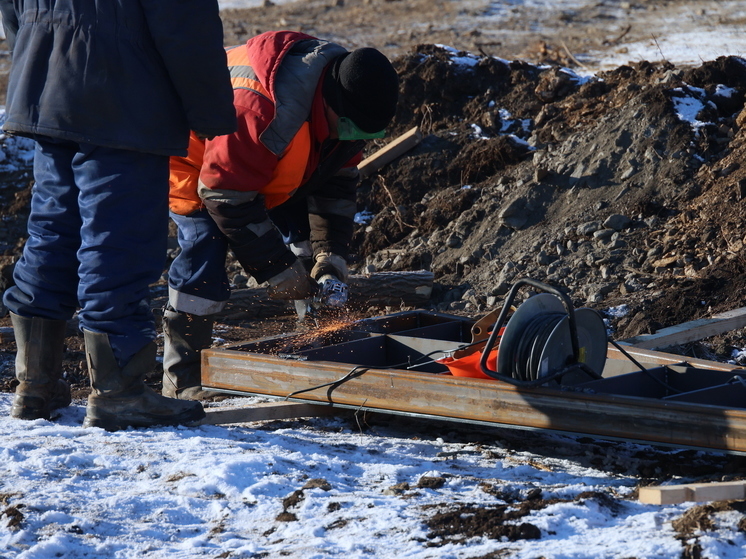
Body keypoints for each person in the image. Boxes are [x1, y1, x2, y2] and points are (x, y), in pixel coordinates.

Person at [0, 0, 237, 429]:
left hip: (45, 84)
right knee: (118, 239)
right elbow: (185, 23)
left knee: (52, 230)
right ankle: (118, 391)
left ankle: (35, 385)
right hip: (124, 96)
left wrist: (41, 64)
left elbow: (13, 13)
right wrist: (210, 112)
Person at [163, 30, 399, 400]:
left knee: (306, 248)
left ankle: (321, 342)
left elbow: (334, 184)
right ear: (332, 103)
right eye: (351, 128)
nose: (354, 139)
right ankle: (183, 378)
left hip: (266, 162)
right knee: (203, 255)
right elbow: (226, 197)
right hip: (196, 162)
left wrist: (330, 256)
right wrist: (276, 268)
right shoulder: (261, 110)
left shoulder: (344, 105)